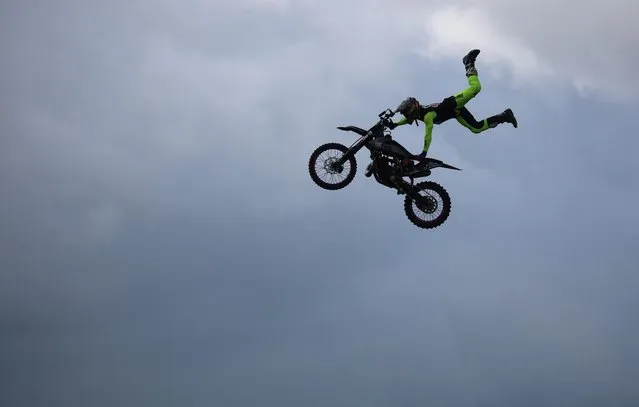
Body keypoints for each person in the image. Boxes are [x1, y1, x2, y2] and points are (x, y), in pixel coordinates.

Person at [388, 49, 518, 163]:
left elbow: (428, 134)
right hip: (456, 113)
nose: (408, 115)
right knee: (476, 128)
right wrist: (395, 124)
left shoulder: (427, 116)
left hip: (453, 103)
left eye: (408, 112)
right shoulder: (416, 115)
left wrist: (424, 152)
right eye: (407, 113)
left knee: (476, 88)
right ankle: (504, 116)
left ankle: (468, 62)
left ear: (414, 109)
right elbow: (407, 120)